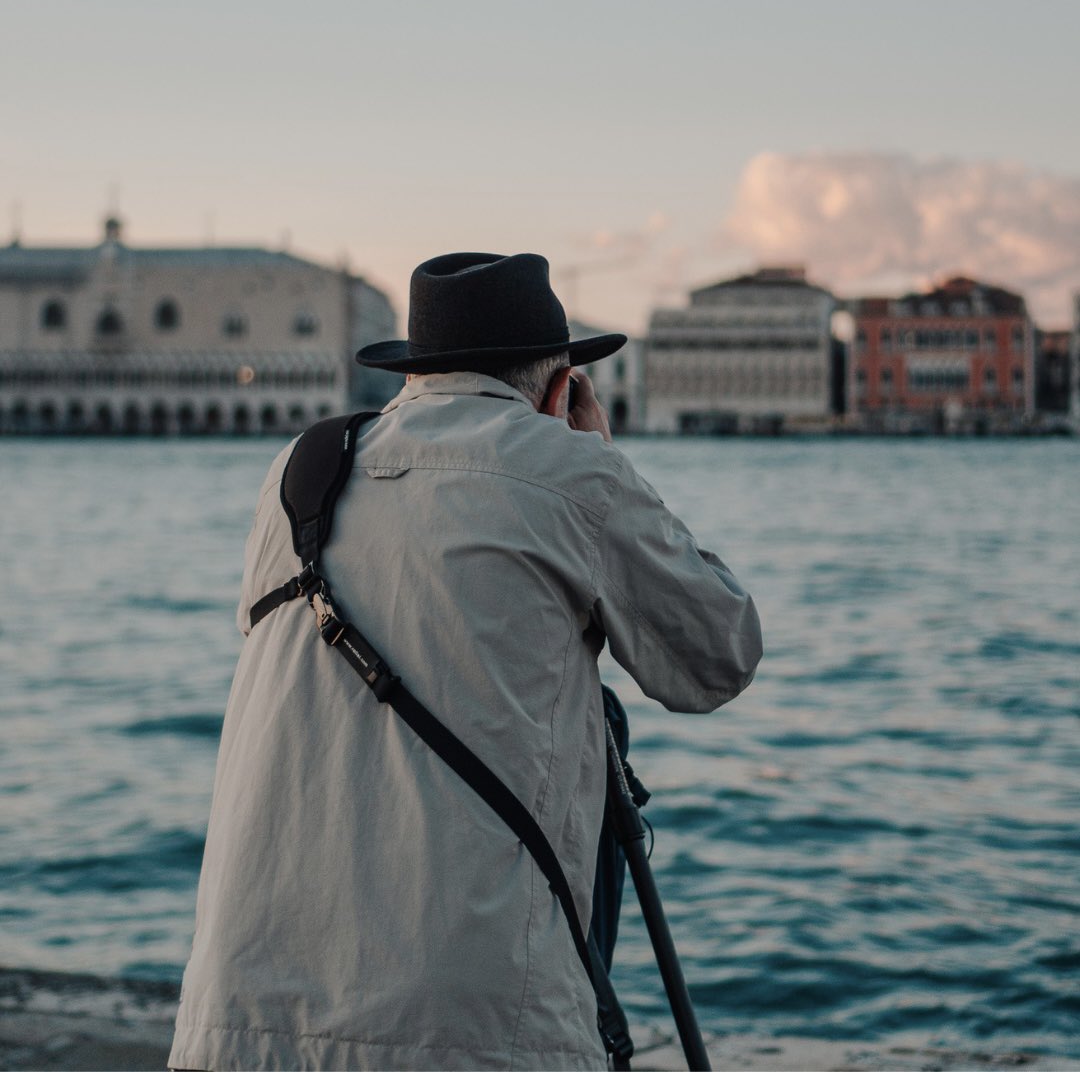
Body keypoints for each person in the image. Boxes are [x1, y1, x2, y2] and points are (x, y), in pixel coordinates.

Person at [169, 251, 762, 1071]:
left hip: (238, 1021)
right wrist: (605, 460)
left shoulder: (299, 473)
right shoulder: (569, 468)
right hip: (474, 1030)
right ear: (560, 389)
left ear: (416, 372)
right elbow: (719, 655)